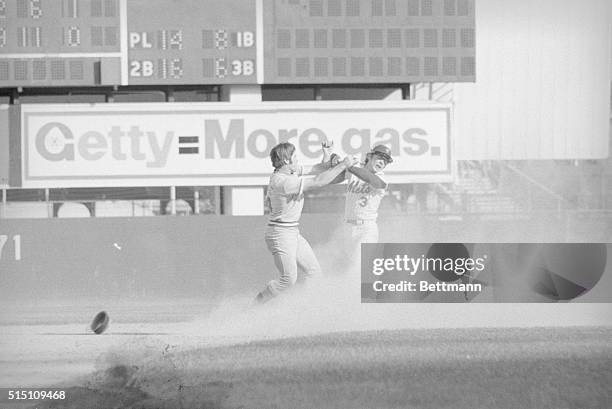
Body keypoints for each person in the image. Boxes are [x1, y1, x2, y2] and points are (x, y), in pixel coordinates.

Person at [255, 142, 358, 303]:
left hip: (291, 232)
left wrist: (329, 158)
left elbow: (317, 170)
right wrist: (344, 165)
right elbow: (318, 181)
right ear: (286, 160)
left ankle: (308, 309)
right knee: (288, 279)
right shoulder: (283, 182)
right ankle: (258, 304)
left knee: (315, 273)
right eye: (295, 157)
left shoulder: (290, 172)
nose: (297, 161)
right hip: (280, 234)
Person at [324, 144, 393, 272]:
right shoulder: (354, 170)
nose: (382, 162)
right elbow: (329, 179)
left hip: (366, 230)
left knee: (356, 269)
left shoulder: (381, 178)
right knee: (341, 269)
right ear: (369, 156)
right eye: (380, 157)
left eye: (386, 160)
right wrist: (332, 159)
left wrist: (348, 165)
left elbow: (373, 180)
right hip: (347, 228)